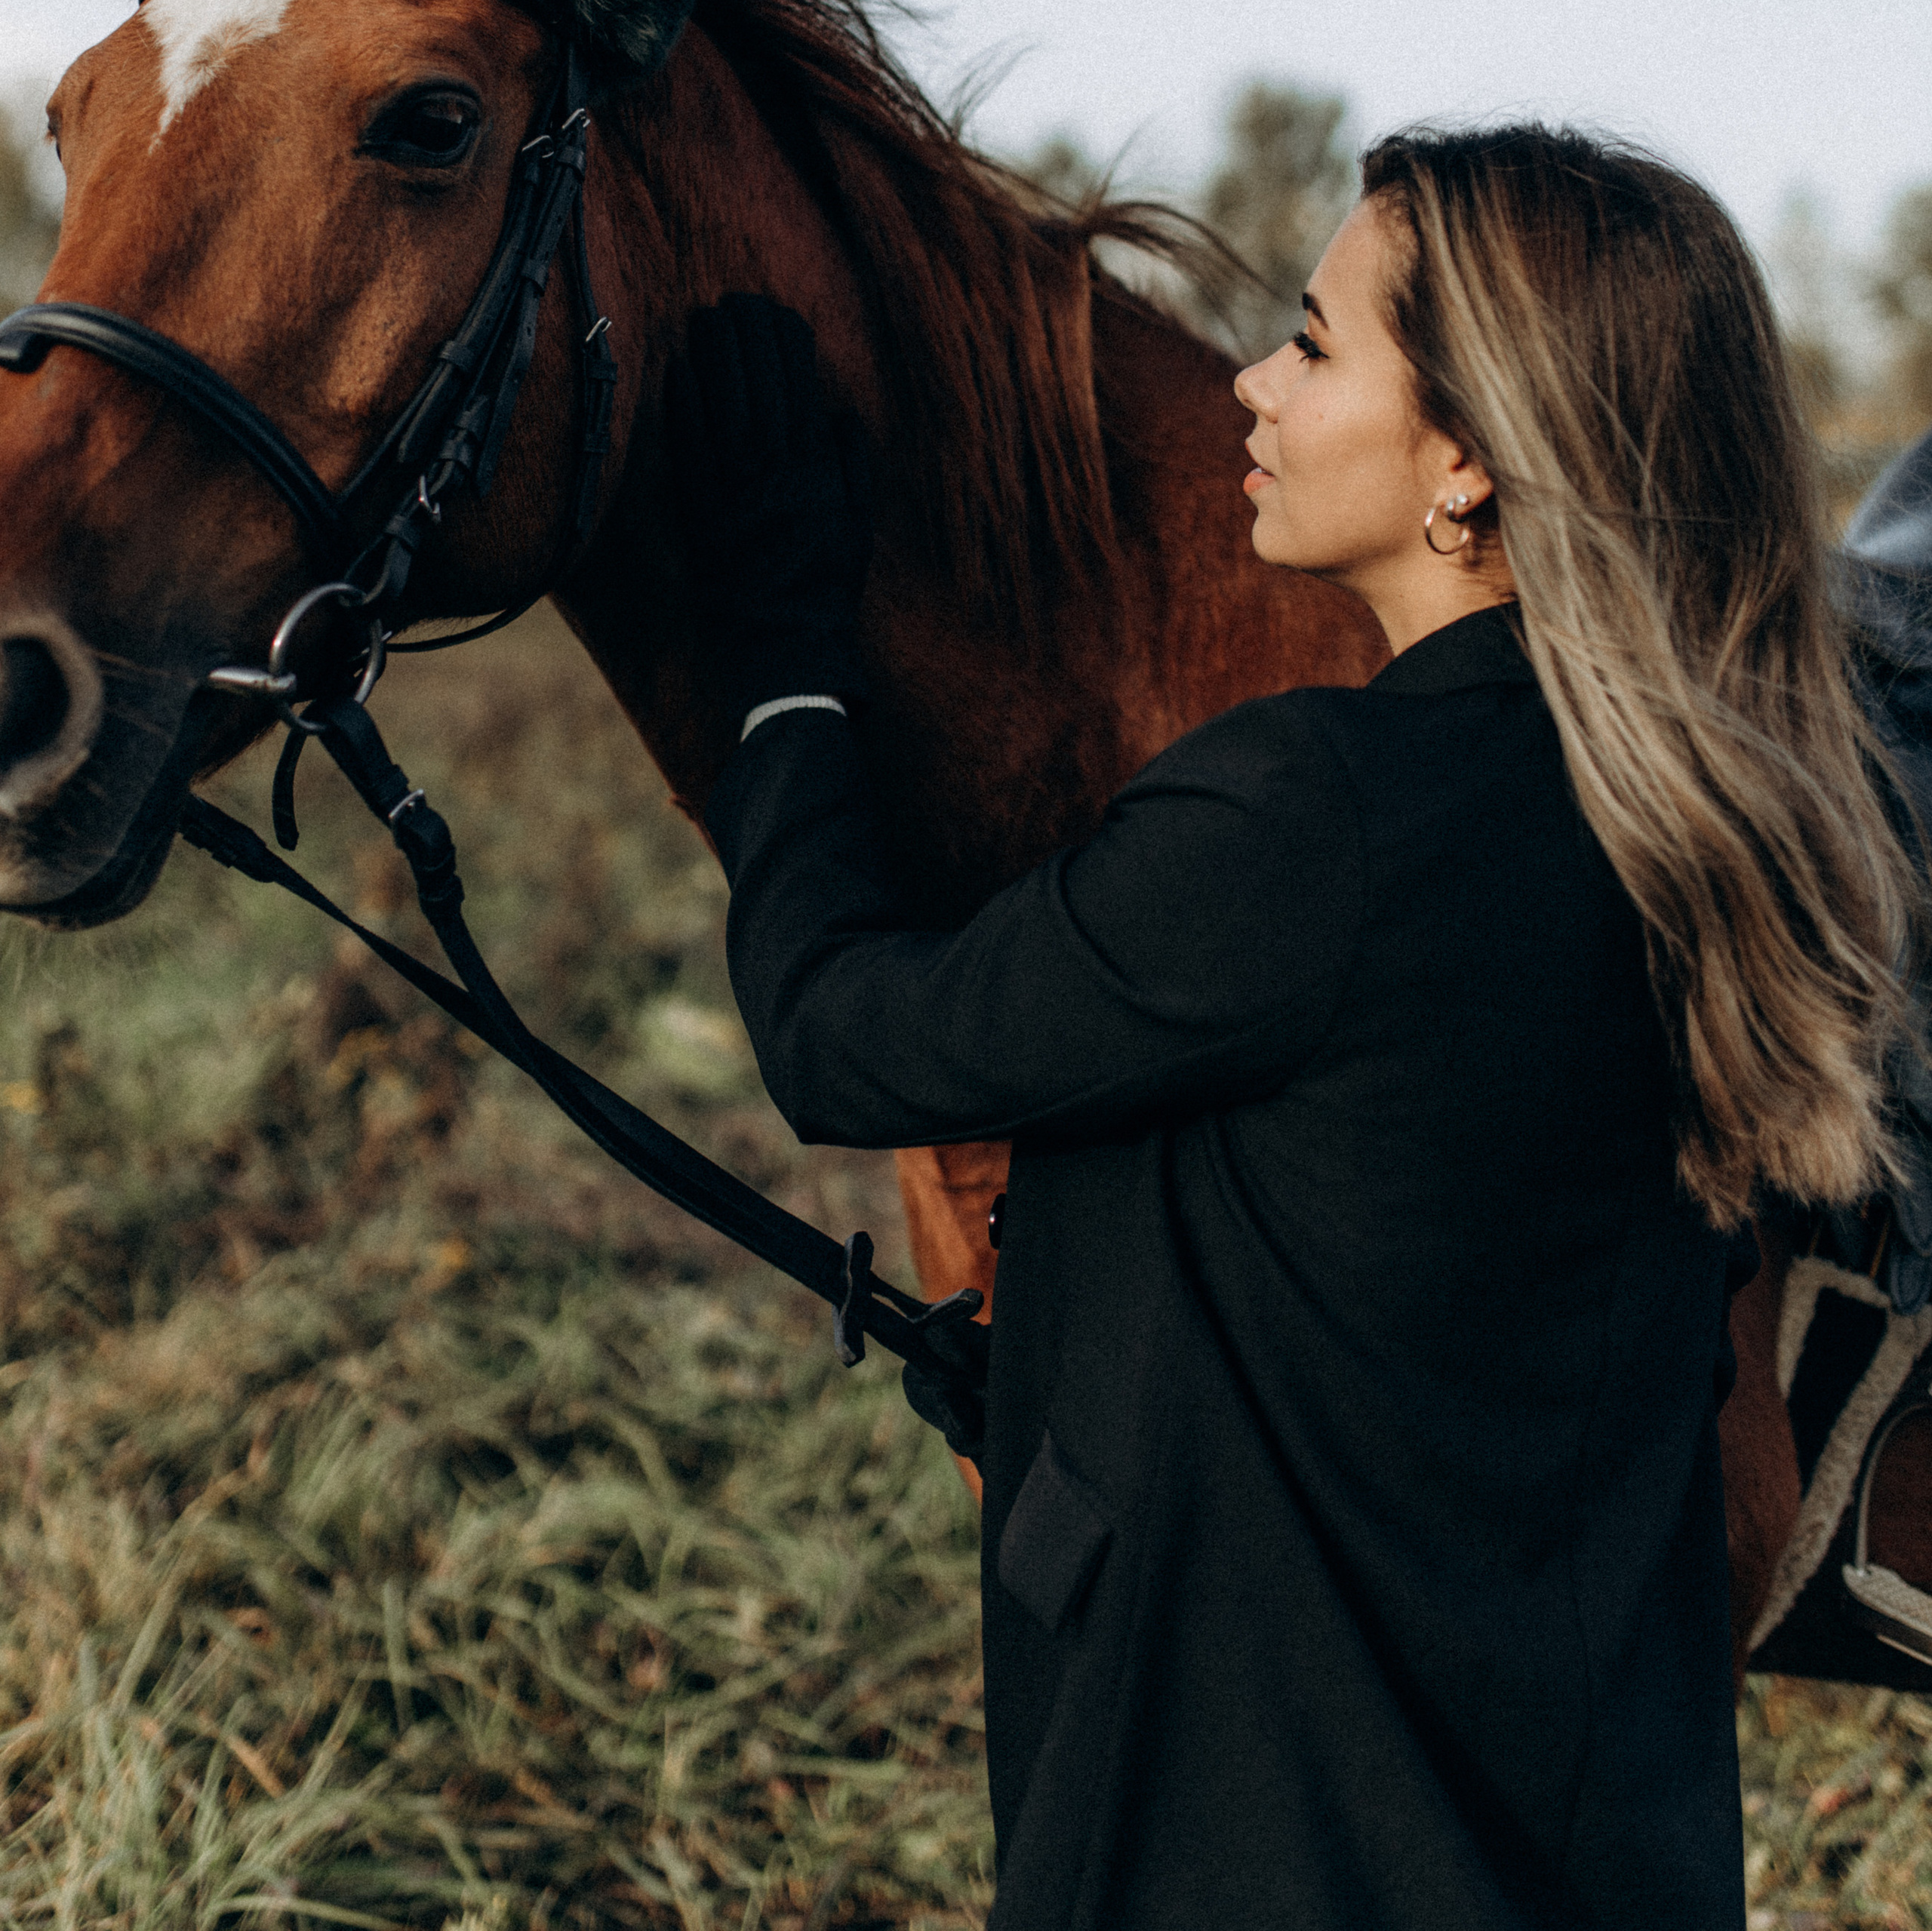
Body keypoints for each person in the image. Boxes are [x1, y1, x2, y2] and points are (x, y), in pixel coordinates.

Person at [666, 121, 1915, 1931]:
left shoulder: (1309, 816)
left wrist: (775, 652)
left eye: (1314, 345)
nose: (1248, 382)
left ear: (1470, 468)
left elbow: (841, 1036)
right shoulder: (1700, 824)